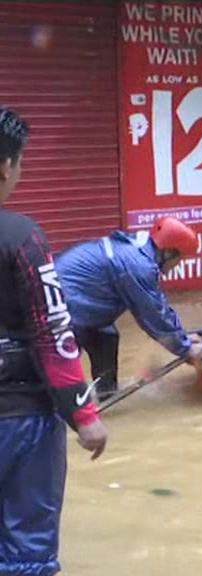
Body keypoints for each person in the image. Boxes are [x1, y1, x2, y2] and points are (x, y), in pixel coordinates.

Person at [0, 106, 108, 575]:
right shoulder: (23, 238)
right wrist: (84, 415)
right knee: (28, 555)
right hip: (21, 419)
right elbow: (54, 334)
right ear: (6, 165)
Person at [55, 217, 202, 401]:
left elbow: (159, 306)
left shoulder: (138, 253)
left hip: (81, 305)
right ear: (169, 253)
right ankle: (62, 407)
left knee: (106, 337)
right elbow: (153, 316)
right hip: (65, 308)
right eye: (180, 259)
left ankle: (107, 397)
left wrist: (182, 337)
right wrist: (186, 349)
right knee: (63, 367)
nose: (178, 265)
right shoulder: (139, 265)